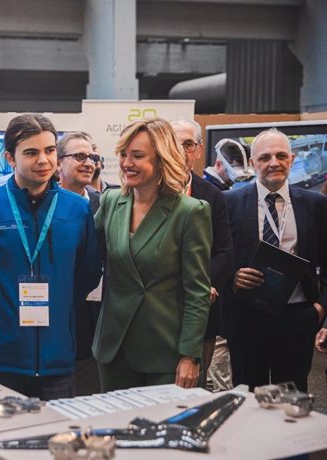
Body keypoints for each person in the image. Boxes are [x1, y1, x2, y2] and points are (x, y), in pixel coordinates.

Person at [0, 113, 100, 400]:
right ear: (11, 158)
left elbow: (87, 273)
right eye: (31, 152)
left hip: (57, 358)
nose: (43, 160)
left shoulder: (76, 210)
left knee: (54, 440)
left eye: (50, 151)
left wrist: (59, 302)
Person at [94, 117, 211, 392]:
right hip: (114, 348)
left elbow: (197, 292)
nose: (126, 164)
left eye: (137, 156)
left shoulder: (190, 212)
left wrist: (189, 355)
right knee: (116, 430)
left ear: (161, 159)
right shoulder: (111, 202)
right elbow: (85, 254)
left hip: (165, 351)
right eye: (123, 155)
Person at [225, 128, 327, 392]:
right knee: (248, 396)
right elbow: (216, 257)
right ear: (252, 163)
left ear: (292, 159)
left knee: (292, 397)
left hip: (297, 317)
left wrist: (319, 309)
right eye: (265, 157)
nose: (274, 163)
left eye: (281, 156)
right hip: (246, 316)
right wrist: (232, 277)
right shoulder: (228, 203)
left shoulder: (315, 205)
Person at [171, 119, 234, 391]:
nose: (181, 151)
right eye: (174, 143)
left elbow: (224, 252)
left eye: (188, 144)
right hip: (157, 308)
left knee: (192, 389)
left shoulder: (214, 196)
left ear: (198, 150)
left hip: (202, 306)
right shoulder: (145, 191)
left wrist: (202, 287)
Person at [56, 131, 102, 395]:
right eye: (80, 156)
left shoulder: (105, 204)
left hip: (97, 320)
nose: (88, 162)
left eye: (92, 157)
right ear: (59, 162)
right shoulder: (44, 204)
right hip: (58, 312)